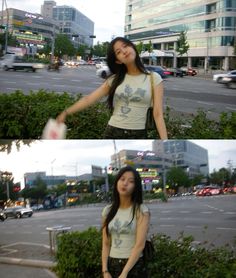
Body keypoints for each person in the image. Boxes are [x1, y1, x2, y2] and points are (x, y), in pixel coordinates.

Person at [56, 37, 168, 139]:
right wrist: (66, 112)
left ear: (133, 48)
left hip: (138, 135)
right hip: (113, 131)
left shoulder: (154, 78)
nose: (124, 51)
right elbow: (89, 99)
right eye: (118, 52)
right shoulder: (114, 79)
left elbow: (158, 114)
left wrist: (166, 143)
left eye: (125, 46)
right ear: (118, 60)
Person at [101, 166, 150, 278]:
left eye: (131, 181)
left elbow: (139, 245)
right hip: (112, 264)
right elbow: (105, 242)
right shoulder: (108, 211)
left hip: (134, 266)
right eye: (122, 179)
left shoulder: (141, 210)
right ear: (117, 182)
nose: (125, 183)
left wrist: (125, 272)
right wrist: (105, 270)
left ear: (135, 187)